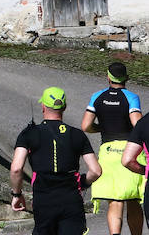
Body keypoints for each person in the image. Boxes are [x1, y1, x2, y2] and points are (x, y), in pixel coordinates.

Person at [10, 87, 101, 235]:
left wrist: (17, 194)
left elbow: (16, 169)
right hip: (71, 200)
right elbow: (96, 171)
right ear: (64, 107)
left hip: (44, 201)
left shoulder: (29, 134)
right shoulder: (77, 135)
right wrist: (83, 182)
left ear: (43, 107)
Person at [82, 62, 143, 235]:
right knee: (133, 199)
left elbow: (86, 126)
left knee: (114, 201)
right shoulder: (131, 97)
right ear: (126, 78)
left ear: (108, 77)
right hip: (129, 150)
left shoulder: (97, 96)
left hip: (107, 151)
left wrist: (100, 128)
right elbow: (137, 125)